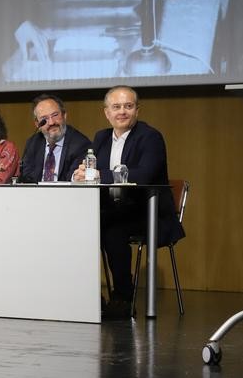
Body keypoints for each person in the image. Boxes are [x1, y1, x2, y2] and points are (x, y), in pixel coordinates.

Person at [73, 85, 185, 319]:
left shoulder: (150, 136)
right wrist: (81, 174)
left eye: (128, 106)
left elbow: (143, 175)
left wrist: (98, 174)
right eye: (116, 107)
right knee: (79, 227)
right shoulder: (101, 137)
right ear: (106, 112)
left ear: (137, 110)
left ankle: (123, 297)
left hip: (147, 213)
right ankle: (84, 295)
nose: (122, 111)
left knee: (113, 229)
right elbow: (92, 170)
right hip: (113, 210)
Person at [19, 94, 91, 183]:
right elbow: (26, 177)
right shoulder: (33, 143)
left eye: (55, 115)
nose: (51, 122)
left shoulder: (80, 144)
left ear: (64, 115)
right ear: (37, 124)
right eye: (44, 119)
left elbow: (75, 178)